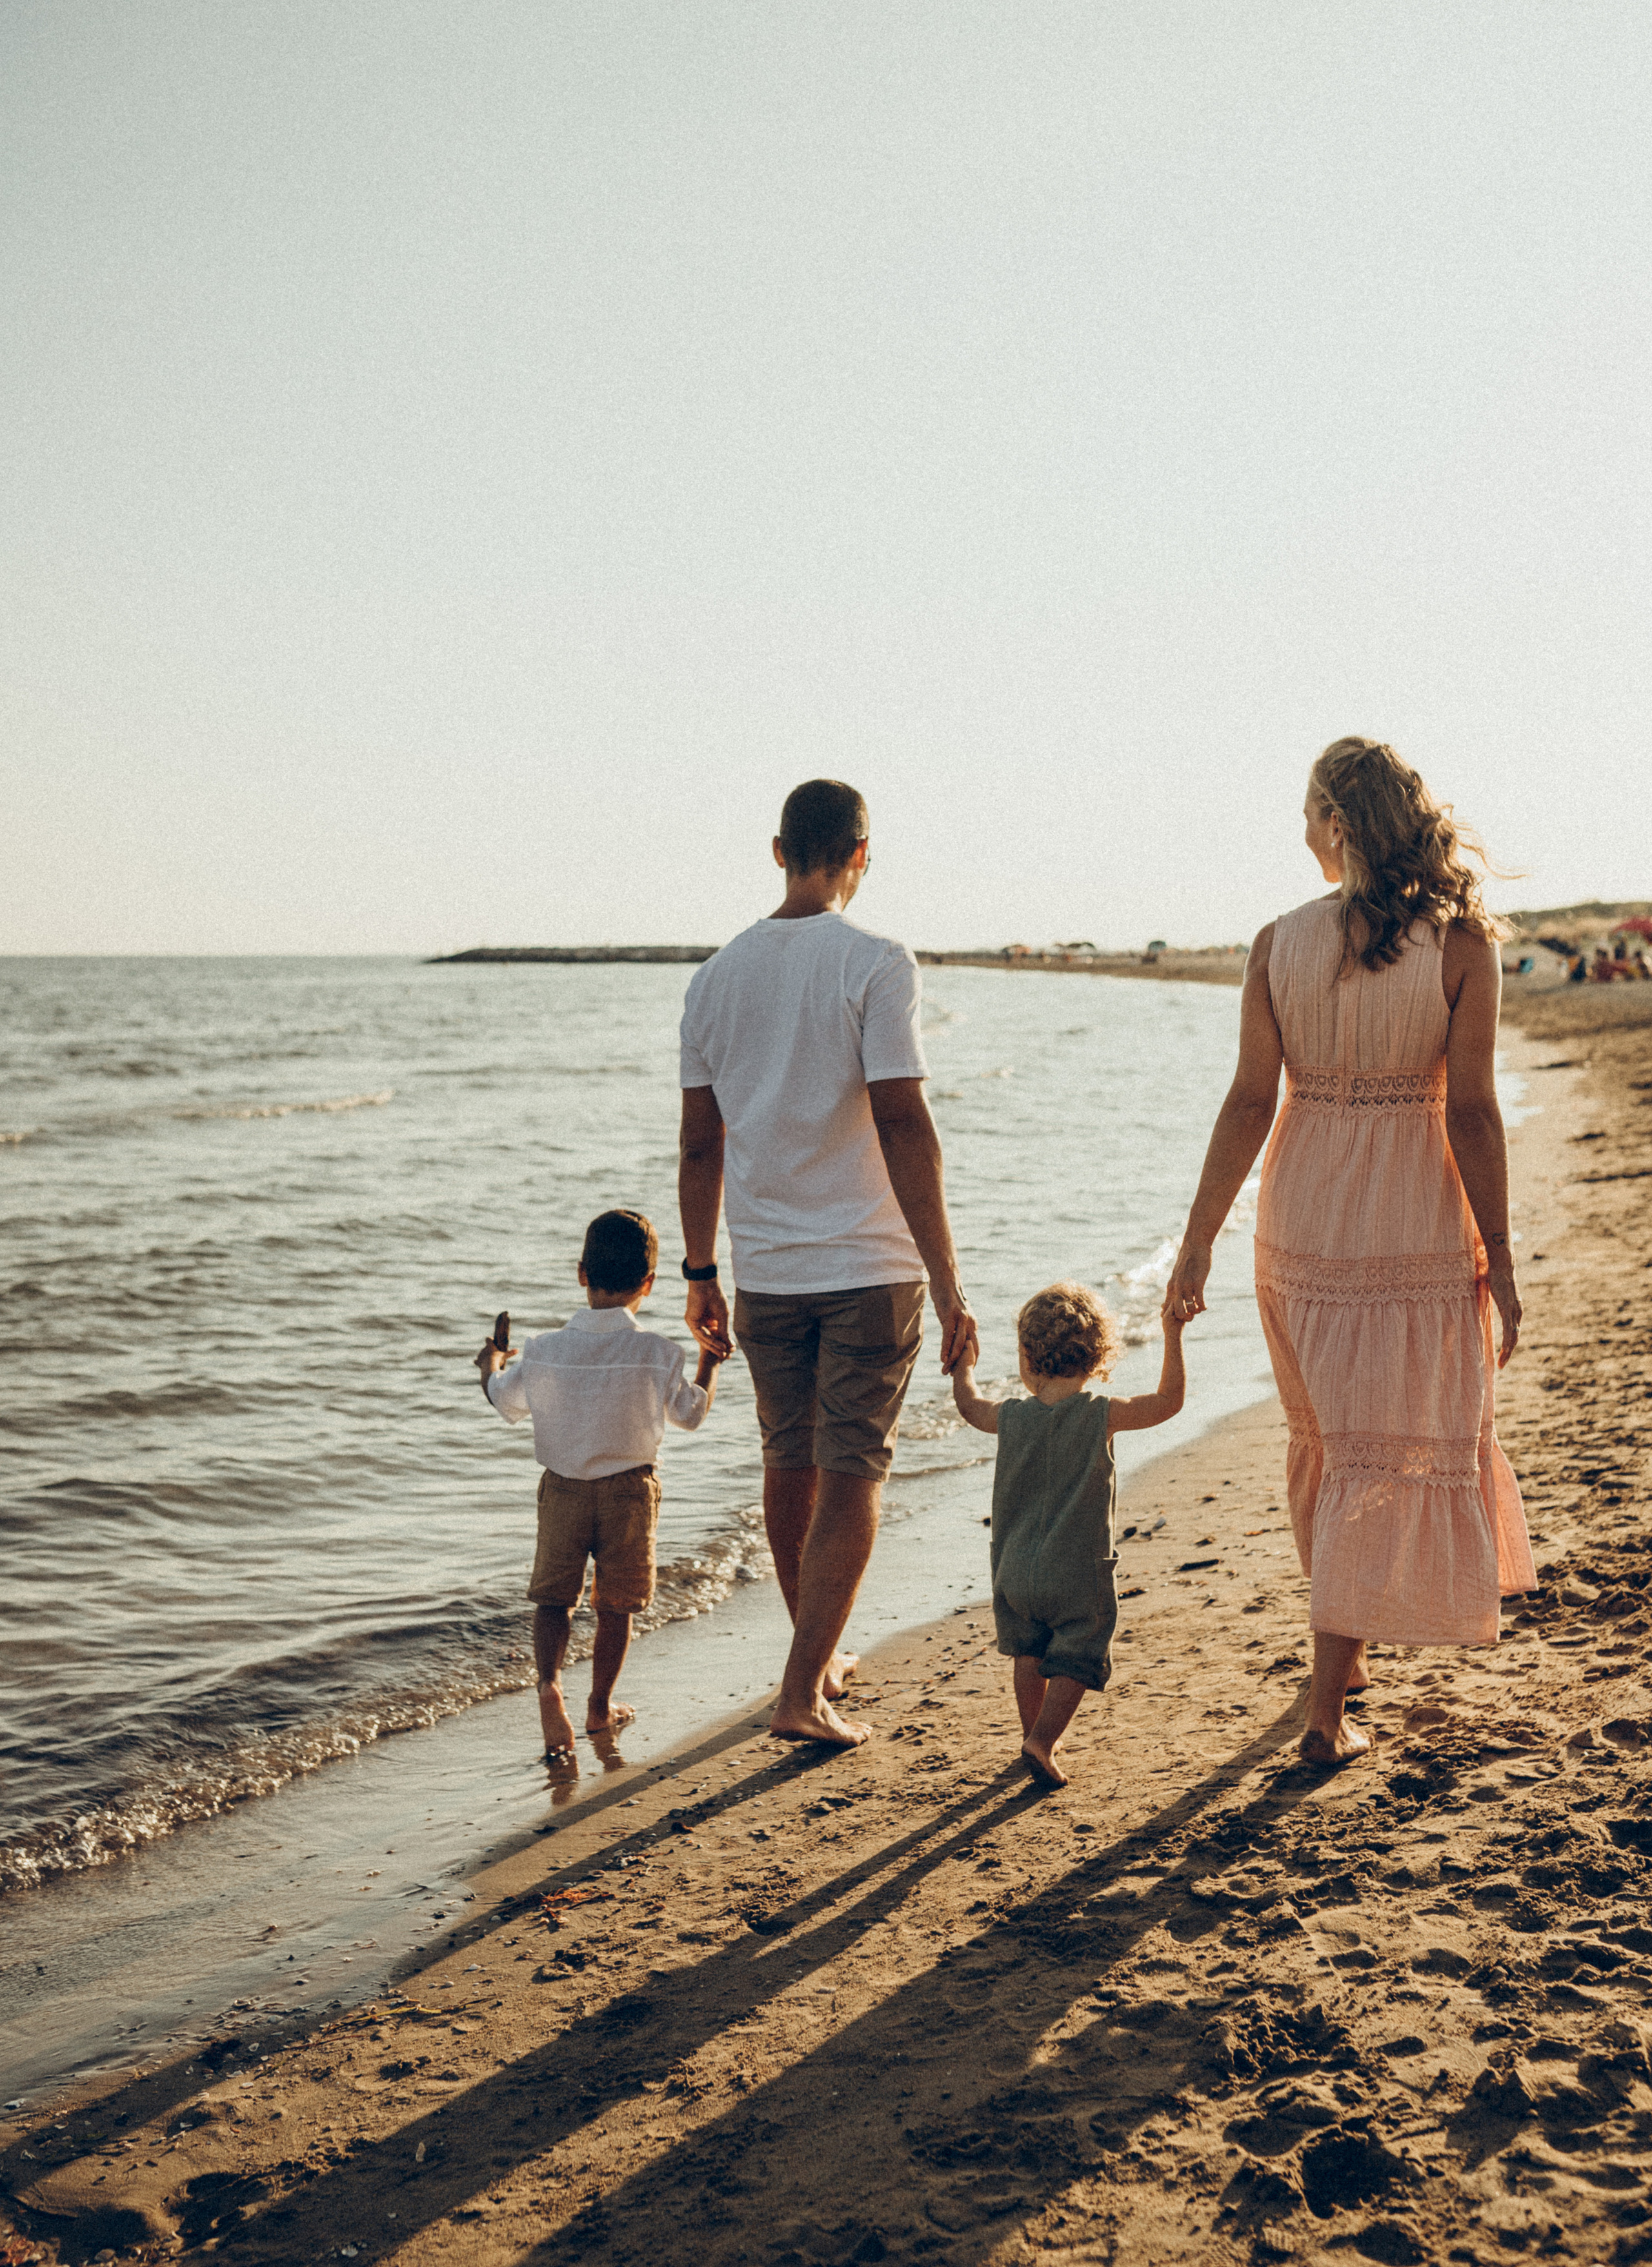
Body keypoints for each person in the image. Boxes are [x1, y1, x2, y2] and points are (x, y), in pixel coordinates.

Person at [1163, 737, 1535, 1767]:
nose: (1301, 832)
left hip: (1301, 1221)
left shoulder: (1275, 943)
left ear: (1337, 822)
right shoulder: (1461, 946)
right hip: (1410, 1216)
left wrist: (1199, 1241)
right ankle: (1328, 1713)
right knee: (1372, 1445)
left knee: (1331, 1443)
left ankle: (1346, 1653)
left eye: (1306, 813)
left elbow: (1250, 1102)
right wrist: (1502, 1257)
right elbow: (1472, 1111)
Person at [678, 778, 976, 1750]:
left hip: (764, 1269)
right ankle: (803, 1690)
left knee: (789, 1460)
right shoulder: (876, 961)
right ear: (861, 853)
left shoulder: (713, 979)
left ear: (778, 852)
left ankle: (817, 1654)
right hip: (869, 1264)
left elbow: (699, 1145)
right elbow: (903, 1118)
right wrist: (948, 1279)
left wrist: (699, 1273)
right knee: (851, 1472)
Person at [474, 1208, 724, 1762]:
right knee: (616, 1606)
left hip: (563, 1488)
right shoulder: (660, 1352)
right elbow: (690, 1414)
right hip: (630, 1492)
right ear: (649, 1283)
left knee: (553, 1599)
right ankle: (599, 1706)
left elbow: (503, 1399)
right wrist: (709, 1360)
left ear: (582, 1273)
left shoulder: (543, 1348)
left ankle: (549, 1686)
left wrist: (490, 1364)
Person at [951, 1284, 1187, 1788]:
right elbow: (1169, 1401)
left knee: (1028, 1650)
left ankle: (1031, 1733)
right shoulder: (1101, 1412)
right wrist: (1172, 1333)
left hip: (1014, 1569)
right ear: (1099, 1355)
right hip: (1076, 1572)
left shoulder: (1009, 1416)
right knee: (1078, 1655)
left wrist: (964, 1364)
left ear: (1027, 1358)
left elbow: (969, 1405)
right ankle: (1044, 1739)